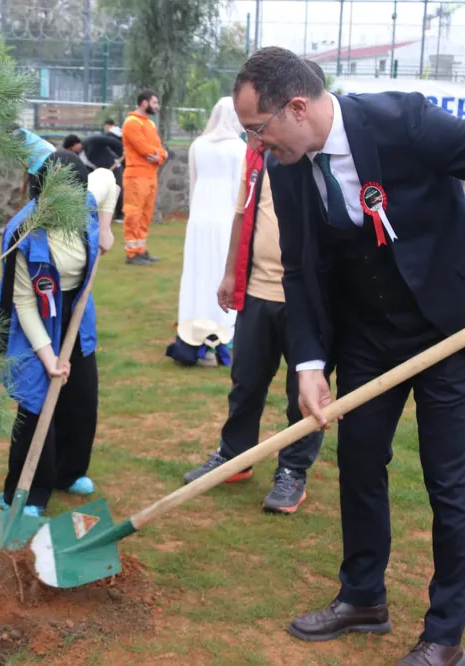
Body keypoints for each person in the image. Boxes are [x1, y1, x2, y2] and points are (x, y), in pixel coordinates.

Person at [232, 47, 465, 666]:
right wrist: (309, 364)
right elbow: (304, 271)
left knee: (448, 478)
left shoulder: (404, 122)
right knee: (361, 462)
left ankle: (444, 637)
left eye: (258, 130)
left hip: (453, 325)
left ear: (298, 107)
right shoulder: (285, 167)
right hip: (371, 334)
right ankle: (362, 597)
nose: (255, 146)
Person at [182, 62, 329, 515]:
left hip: (307, 303)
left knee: (300, 392)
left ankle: (292, 471)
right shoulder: (264, 160)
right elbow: (243, 215)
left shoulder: (321, 165)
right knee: (245, 383)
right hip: (259, 293)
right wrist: (231, 274)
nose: (261, 138)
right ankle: (234, 456)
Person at [0, 149, 118, 515]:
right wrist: (48, 358)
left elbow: (109, 181)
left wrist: (106, 228)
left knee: (81, 398)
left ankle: (68, 471)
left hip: (75, 313)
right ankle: (26, 491)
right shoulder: (22, 232)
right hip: (36, 315)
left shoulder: (86, 202)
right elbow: (24, 304)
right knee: (35, 402)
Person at [176, 97, 245, 333]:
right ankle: (225, 323)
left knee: (197, 269)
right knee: (222, 268)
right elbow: (241, 188)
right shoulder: (238, 147)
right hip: (226, 215)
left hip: (200, 216)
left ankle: (193, 319)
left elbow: (192, 183)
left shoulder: (198, 145)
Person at [122, 89, 167, 265]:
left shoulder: (150, 124)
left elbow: (159, 148)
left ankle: (140, 249)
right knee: (133, 212)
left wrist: (160, 156)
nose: (157, 106)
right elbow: (142, 148)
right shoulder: (131, 123)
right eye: (154, 102)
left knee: (145, 214)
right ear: (144, 103)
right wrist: (158, 155)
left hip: (150, 175)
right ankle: (131, 253)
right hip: (136, 176)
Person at [11, 124, 56, 199]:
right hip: (52, 155)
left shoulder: (17, 135)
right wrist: (24, 185)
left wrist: (24, 185)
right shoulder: (26, 133)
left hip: (41, 162)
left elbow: (27, 167)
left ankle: (37, 208)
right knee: (43, 192)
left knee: (35, 195)